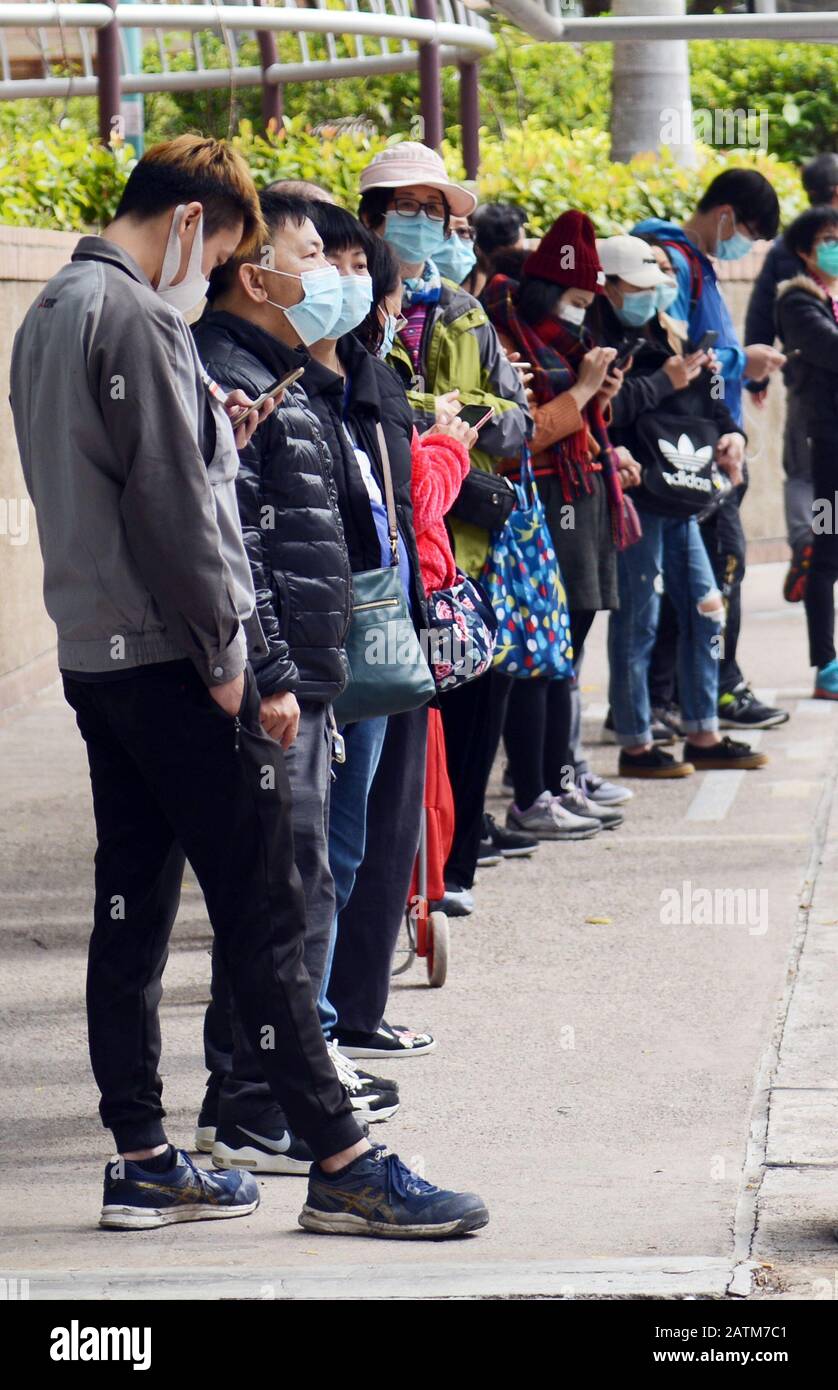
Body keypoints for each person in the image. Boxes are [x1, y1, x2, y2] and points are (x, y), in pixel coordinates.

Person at [9, 138, 488, 1240]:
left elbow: (117, 476)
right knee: (267, 912)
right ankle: (341, 1158)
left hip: (98, 654)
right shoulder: (136, 317)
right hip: (179, 665)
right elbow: (180, 521)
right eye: (222, 246)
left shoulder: (55, 310)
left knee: (129, 911)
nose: (216, 268)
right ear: (190, 225)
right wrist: (240, 668)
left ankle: (143, 1155)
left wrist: (210, 445)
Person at [191, 190, 401, 1173]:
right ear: (253, 270)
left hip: (307, 679)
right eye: (313, 255)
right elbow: (237, 553)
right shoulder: (227, 375)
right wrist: (276, 673)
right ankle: (249, 1103)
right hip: (278, 686)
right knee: (279, 898)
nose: (330, 275)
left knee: (298, 886)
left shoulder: (281, 374)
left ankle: (260, 1096)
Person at [300, 200, 475, 1058]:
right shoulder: (307, 386)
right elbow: (404, 500)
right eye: (326, 260)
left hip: (378, 628)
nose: (353, 282)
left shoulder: (356, 374)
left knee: (356, 837)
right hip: (334, 646)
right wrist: (448, 448)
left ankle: (333, 1028)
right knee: (324, 852)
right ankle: (311, 1043)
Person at [358, 141, 534, 911]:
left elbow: (520, 422)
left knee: (468, 700)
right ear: (372, 217)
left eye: (438, 213)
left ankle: (451, 870)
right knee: (388, 712)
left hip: (460, 545)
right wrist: (437, 420)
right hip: (379, 548)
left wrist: (466, 425)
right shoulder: (349, 301)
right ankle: (379, 883)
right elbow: (363, 409)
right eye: (412, 210)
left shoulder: (466, 315)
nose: (428, 225)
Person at [590, 233, 768, 776]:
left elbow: (705, 403)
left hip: (685, 493)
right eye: (640, 285)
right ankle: (637, 742)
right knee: (639, 622)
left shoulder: (670, 332)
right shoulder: (596, 340)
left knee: (706, 609)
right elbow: (599, 413)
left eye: (659, 282)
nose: (652, 294)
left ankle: (703, 732)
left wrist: (730, 432)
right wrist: (661, 383)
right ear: (609, 286)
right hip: (638, 498)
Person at [484, 210, 638, 835]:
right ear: (550, 291)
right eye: (575, 299)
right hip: (540, 507)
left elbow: (571, 423)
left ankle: (558, 777)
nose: (581, 313)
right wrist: (582, 393)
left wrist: (597, 400)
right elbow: (520, 435)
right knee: (543, 657)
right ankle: (536, 787)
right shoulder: (508, 333)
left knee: (565, 655)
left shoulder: (558, 343)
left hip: (578, 499)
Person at [634, 169, 789, 733]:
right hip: (686, 449)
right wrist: (737, 363)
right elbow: (686, 363)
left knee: (692, 576)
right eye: (745, 230)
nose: (742, 244)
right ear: (725, 216)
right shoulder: (676, 265)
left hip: (700, 441)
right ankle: (708, 692)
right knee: (716, 570)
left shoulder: (693, 264)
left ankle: (674, 698)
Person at [745, 153, 838, 603]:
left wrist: (757, 378)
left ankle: (807, 539)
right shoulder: (807, 244)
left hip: (803, 379)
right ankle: (814, 546)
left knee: (803, 471)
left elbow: (762, 307)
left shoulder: (791, 242)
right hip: (816, 379)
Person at [775, 204, 838, 699]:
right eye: (828, 240)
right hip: (825, 450)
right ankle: (826, 665)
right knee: (825, 553)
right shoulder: (797, 303)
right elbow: (830, 351)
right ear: (804, 251)